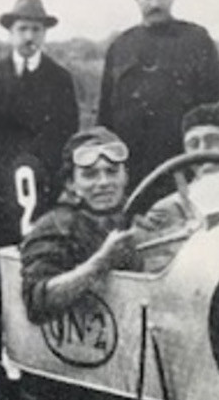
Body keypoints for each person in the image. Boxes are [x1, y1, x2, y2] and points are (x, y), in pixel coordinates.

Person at [0, 0, 80, 350]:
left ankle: (37, 364)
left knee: (41, 273)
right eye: (23, 29)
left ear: (45, 35)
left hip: (40, 193)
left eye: (36, 29)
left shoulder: (59, 80)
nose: (29, 36)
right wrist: (2, 169)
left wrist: (39, 170)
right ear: (11, 33)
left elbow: (66, 133)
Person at [97, 0, 219, 187]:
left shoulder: (197, 41)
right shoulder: (120, 48)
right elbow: (105, 120)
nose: (155, 3)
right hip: (133, 175)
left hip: (187, 170)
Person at [20, 128, 146, 324]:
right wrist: (101, 262)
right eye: (90, 175)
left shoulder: (138, 218)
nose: (104, 182)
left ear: (125, 177)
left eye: (112, 172)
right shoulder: (55, 226)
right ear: (71, 183)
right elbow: (36, 303)